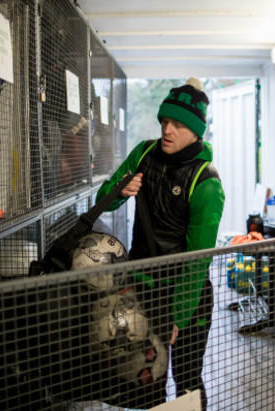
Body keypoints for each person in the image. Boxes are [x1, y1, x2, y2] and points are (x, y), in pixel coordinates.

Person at [95, 77, 225, 410]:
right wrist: (119, 190)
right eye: (164, 121)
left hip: (187, 295)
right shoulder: (144, 153)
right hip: (142, 288)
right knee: (145, 378)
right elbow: (102, 200)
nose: (167, 130)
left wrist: (178, 318)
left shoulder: (206, 182)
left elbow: (198, 260)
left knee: (186, 380)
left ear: (196, 132)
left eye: (178, 124)